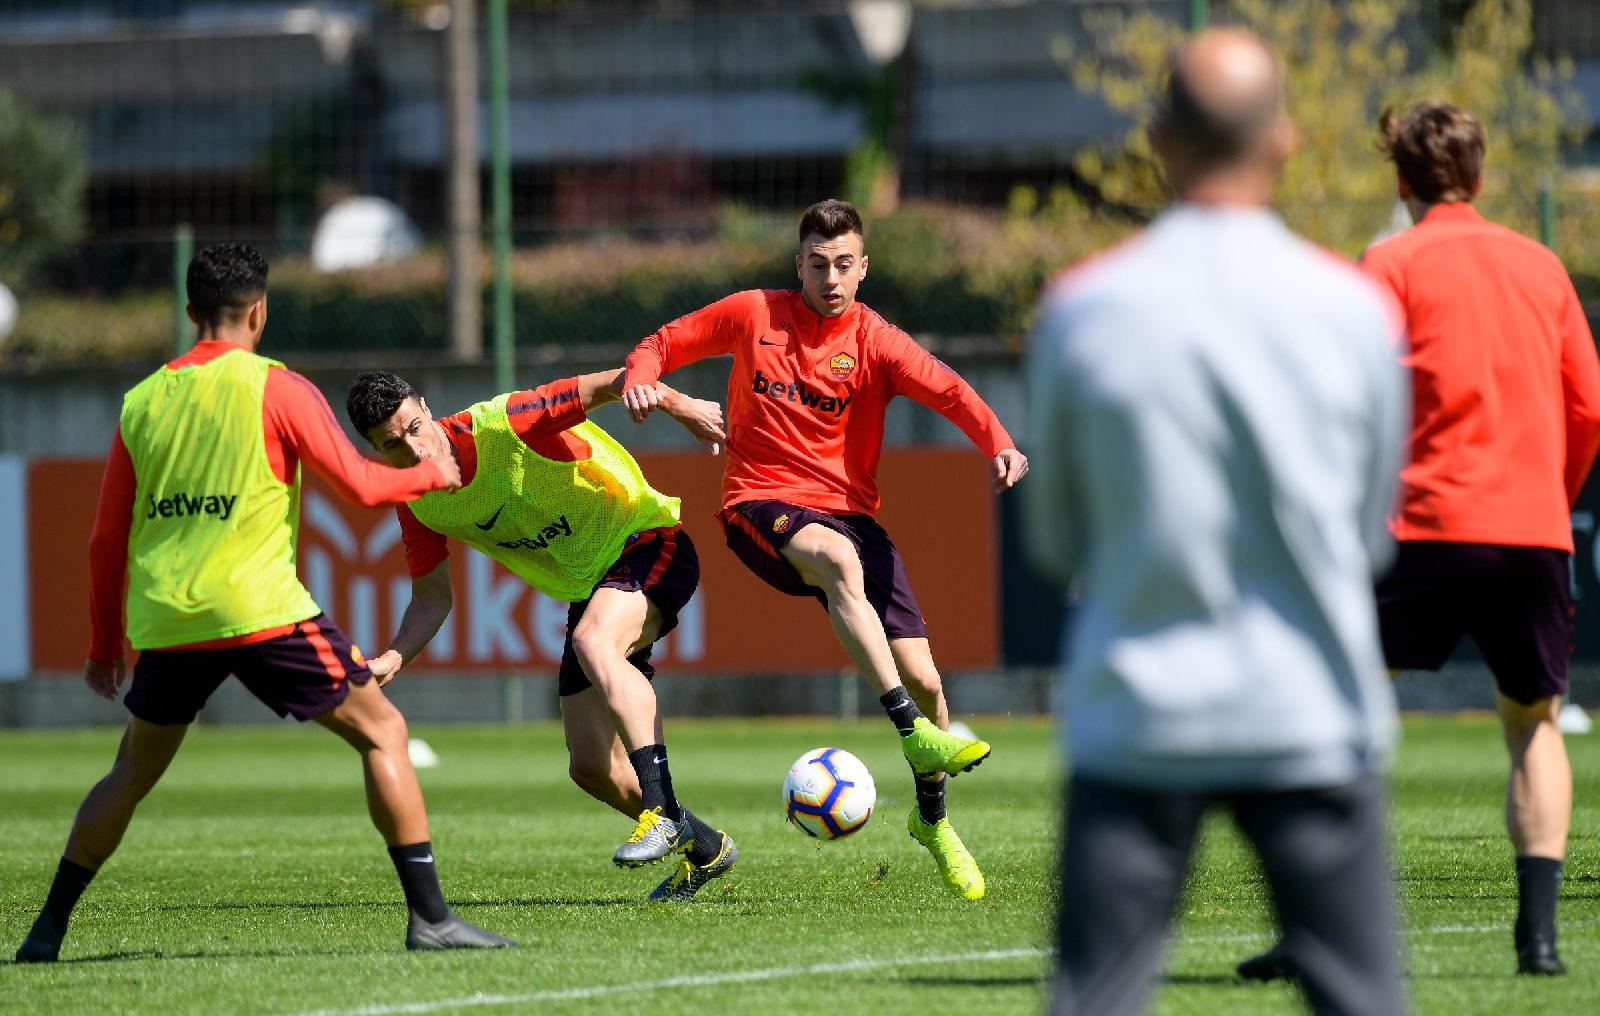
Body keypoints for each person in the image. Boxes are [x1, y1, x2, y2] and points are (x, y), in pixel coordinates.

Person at [1025, 30, 1422, 1016]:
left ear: (1157, 140)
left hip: (1135, 716)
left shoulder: (1082, 310)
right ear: (1284, 138)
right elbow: (1371, 533)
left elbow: (1056, 536)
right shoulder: (1352, 309)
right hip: (1310, 708)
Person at [15, 243, 513, 963]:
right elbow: (367, 487)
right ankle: (431, 918)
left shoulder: (141, 402)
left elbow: (104, 541)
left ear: (191, 314)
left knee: (130, 772)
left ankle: (47, 930)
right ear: (260, 310)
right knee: (383, 733)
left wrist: (102, 649)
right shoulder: (277, 388)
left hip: (169, 619)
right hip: (260, 611)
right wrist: (435, 475)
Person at [1237, 102, 1600, 982]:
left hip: (1425, 528)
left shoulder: (1388, 264)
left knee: (1326, 711)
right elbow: (1587, 407)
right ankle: (1539, 942)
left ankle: (1315, 930)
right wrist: (1551, 506)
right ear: (1479, 176)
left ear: (1401, 180)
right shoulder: (1542, 265)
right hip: (1532, 531)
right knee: (1534, 724)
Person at [619, 199, 1028, 900]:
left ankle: (932, 821)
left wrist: (998, 441)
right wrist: (639, 378)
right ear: (797, 265)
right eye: (818, 263)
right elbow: (662, 342)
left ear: (863, 269)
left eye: (844, 264)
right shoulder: (754, 315)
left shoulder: (877, 341)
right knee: (838, 563)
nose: (831, 276)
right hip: (758, 504)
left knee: (931, 685)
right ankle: (908, 728)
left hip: (852, 518)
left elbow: (951, 391)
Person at [344, 368, 739, 901]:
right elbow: (433, 596)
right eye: (392, 445)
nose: (411, 449)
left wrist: (681, 404)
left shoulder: (505, 424)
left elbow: (619, 380)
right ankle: (705, 846)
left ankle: (664, 813)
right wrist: (393, 656)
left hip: (646, 538)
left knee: (595, 642)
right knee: (591, 767)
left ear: (425, 405)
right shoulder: (416, 500)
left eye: (415, 427)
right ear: (374, 451)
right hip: (590, 583)